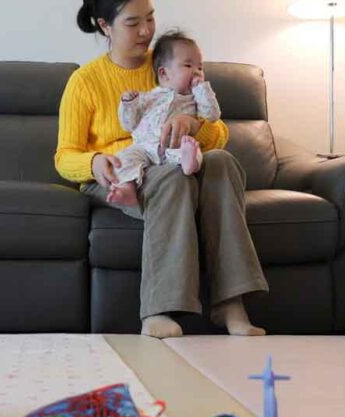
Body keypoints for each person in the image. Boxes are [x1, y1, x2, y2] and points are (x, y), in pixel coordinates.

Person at [56, 0, 268, 338]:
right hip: (122, 172)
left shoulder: (173, 60)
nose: (145, 31)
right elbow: (65, 156)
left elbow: (220, 132)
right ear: (105, 26)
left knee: (222, 161)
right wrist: (93, 162)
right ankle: (158, 311)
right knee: (173, 179)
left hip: (173, 158)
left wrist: (192, 123)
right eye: (132, 23)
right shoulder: (85, 81)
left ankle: (230, 303)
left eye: (150, 18)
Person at [107, 30, 219, 207]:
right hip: (144, 148)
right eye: (188, 66)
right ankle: (127, 189)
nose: (197, 72)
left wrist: (202, 89)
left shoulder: (195, 98)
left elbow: (212, 114)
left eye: (200, 67)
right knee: (123, 159)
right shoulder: (150, 97)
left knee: (191, 148)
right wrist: (128, 104)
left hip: (173, 148)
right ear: (164, 74)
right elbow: (129, 124)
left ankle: (190, 164)